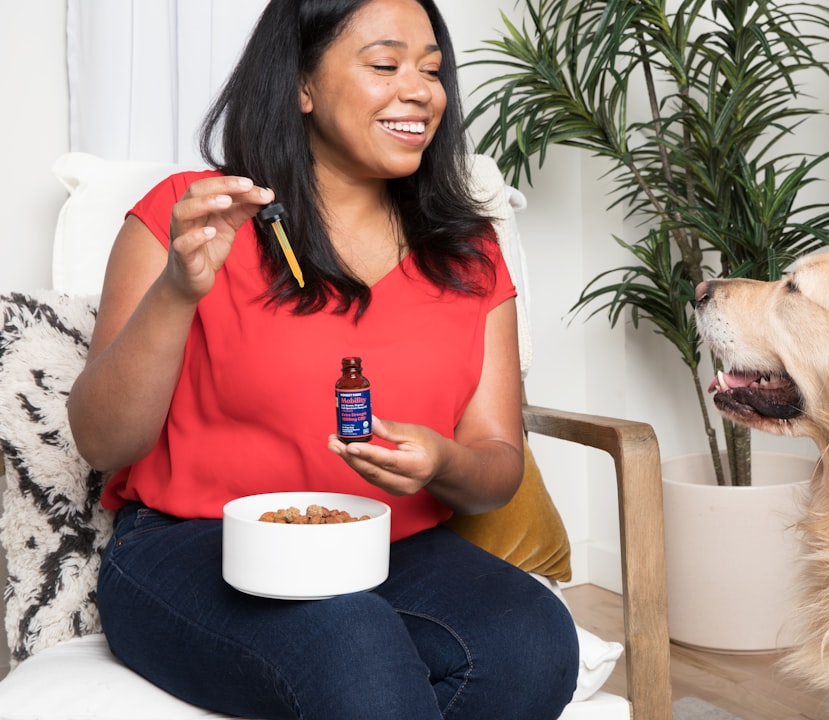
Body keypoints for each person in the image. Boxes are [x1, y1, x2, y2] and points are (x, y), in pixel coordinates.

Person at [67, 0, 579, 717]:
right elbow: (102, 441)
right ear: (302, 83)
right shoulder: (192, 214)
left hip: (384, 540)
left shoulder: (469, 249)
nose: (420, 90)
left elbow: (496, 465)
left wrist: (443, 462)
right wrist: (179, 291)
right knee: (352, 642)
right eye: (385, 64)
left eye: (431, 70)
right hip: (191, 545)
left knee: (533, 642)